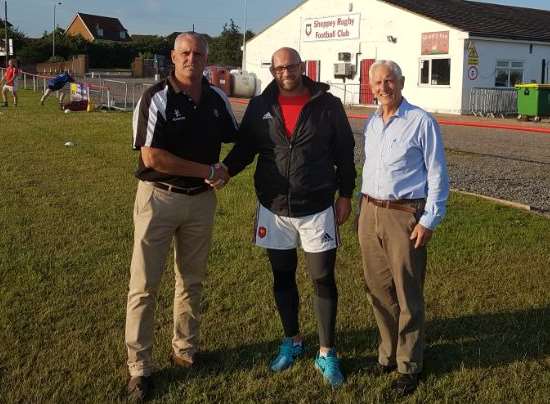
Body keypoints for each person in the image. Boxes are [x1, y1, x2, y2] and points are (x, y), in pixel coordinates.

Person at [220, 47, 356, 388]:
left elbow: (344, 152)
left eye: (291, 66)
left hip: (318, 206)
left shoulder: (327, 104)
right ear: (272, 69)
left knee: (322, 278)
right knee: (282, 276)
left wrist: (346, 194)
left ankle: (326, 352)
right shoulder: (261, 105)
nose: (285, 72)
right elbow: (245, 150)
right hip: (274, 206)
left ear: (301, 67)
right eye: (279, 67)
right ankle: (292, 340)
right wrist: (225, 170)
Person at [125, 32, 236, 401]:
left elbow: (241, 137)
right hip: (159, 199)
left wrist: (226, 170)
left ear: (207, 58)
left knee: (191, 281)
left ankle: (185, 351)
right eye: (185, 53)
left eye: (199, 53)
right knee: (144, 286)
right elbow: (151, 157)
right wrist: (207, 168)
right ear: (173, 57)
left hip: (201, 202)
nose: (192, 59)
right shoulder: (154, 97)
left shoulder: (217, 99)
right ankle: (139, 368)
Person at [357, 60, 449, 396]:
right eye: (377, 82)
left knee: (407, 292)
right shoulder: (372, 123)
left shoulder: (421, 122)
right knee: (378, 290)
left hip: (403, 216)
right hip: (370, 212)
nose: (383, 87)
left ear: (402, 81)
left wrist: (429, 219)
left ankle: (410, 364)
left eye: (389, 80)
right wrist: (361, 210)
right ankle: (387, 354)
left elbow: (437, 173)